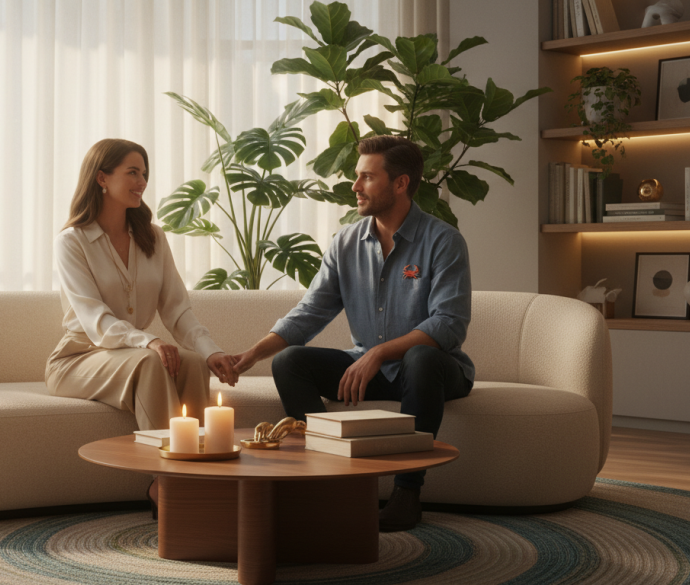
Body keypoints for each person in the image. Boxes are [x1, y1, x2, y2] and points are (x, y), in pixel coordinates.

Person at [232, 135, 474, 532]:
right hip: (372, 369)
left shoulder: (443, 241)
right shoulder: (345, 242)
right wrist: (251, 354)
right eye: (356, 177)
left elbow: (448, 323)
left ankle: (407, 492)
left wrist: (378, 354)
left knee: (421, 357)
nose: (355, 187)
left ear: (400, 183)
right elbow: (311, 312)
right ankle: (329, 475)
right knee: (290, 362)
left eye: (366, 177)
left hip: (433, 372)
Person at [47, 138, 238, 517]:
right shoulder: (72, 242)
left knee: (192, 363)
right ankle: (167, 481)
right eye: (132, 172)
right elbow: (93, 316)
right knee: (152, 362)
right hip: (79, 358)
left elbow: (177, 309)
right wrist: (147, 340)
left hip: (135, 353)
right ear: (102, 177)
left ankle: (202, 476)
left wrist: (209, 350)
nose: (142, 181)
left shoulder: (153, 237)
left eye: (145, 174)